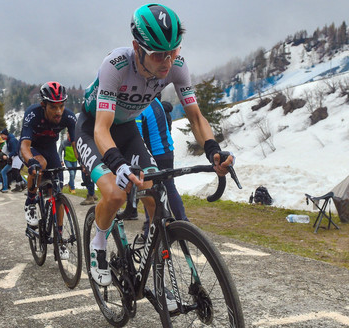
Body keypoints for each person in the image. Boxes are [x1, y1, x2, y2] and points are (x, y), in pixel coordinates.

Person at [74, 3, 234, 287]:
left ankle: (157, 269)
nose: (168, 62)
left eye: (174, 52)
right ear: (137, 48)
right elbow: (101, 128)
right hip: (92, 127)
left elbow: (195, 117)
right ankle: (98, 243)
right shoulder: (116, 65)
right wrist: (118, 164)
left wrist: (213, 150)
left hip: (127, 130)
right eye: (159, 54)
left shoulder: (177, 67)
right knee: (114, 195)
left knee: (155, 196)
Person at [18, 81, 78, 235]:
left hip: (50, 149)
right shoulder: (33, 114)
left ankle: (59, 236)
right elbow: (24, 145)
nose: (58, 112)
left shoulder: (69, 117)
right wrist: (31, 162)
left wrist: (84, 163)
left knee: (58, 191)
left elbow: (77, 144)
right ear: (43, 105)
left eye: (61, 106)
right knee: (40, 164)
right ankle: (30, 203)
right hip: (32, 148)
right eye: (53, 107)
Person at [136, 96, 189, 238]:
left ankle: (150, 232)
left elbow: (137, 137)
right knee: (170, 187)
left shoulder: (139, 105)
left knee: (148, 190)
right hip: (167, 150)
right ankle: (184, 223)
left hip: (152, 152)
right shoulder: (156, 101)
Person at [0, 128, 19, 193]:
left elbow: (15, 151)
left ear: (5, 134)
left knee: (5, 172)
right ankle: (6, 187)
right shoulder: (8, 140)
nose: (1, 136)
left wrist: (8, 156)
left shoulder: (12, 140)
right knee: (5, 172)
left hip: (16, 158)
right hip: (12, 158)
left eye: (1, 135)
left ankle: (6, 187)